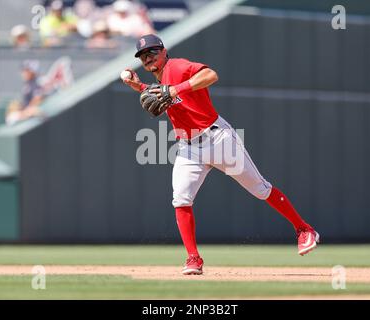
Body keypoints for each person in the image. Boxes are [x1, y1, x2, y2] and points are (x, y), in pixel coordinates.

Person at [122, 34, 320, 276]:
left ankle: (304, 229)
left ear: (164, 51)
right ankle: (193, 258)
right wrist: (139, 87)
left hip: (217, 138)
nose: (148, 58)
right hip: (188, 147)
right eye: (143, 56)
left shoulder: (178, 66)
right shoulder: (162, 80)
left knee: (260, 188)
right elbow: (162, 95)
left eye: (152, 52)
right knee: (181, 199)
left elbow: (210, 75)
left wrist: (176, 89)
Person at [6, 60, 44, 125]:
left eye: (27, 71)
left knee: (12, 118)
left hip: (30, 113)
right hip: (25, 111)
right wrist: (20, 107)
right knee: (11, 115)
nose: (24, 73)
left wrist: (24, 112)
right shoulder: (28, 84)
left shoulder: (35, 84)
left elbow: (38, 99)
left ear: (32, 72)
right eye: (24, 71)